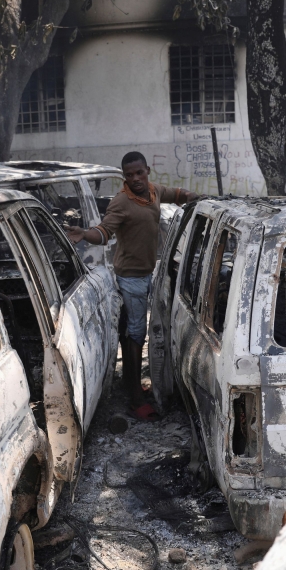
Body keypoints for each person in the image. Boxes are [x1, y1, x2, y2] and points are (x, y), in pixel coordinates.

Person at [65, 151, 198, 421]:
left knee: (139, 331)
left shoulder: (153, 191)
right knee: (136, 332)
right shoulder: (121, 202)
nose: (135, 179)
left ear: (147, 170)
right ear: (124, 176)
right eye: (129, 175)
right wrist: (85, 233)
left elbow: (177, 194)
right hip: (131, 277)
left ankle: (133, 384)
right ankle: (136, 399)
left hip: (149, 272)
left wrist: (197, 197)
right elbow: (104, 232)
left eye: (139, 173)